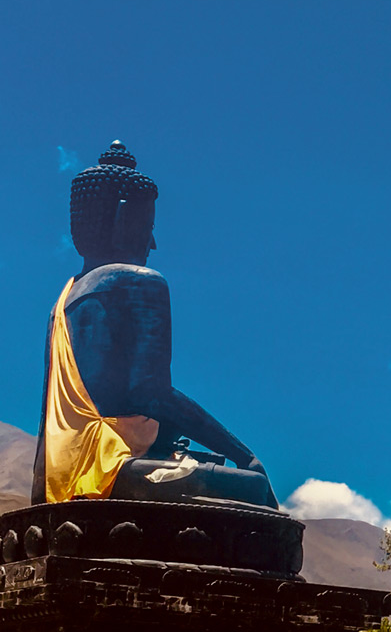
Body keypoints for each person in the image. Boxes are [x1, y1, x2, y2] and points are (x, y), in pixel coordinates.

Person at [33, 141, 276, 508]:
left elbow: (51, 424)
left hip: (58, 478)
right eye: (148, 225)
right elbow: (153, 395)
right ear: (122, 218)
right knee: (253, 489)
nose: (153, 242)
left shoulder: (64, 299)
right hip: (113, 469)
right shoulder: (139, 282)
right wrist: (243, 454)